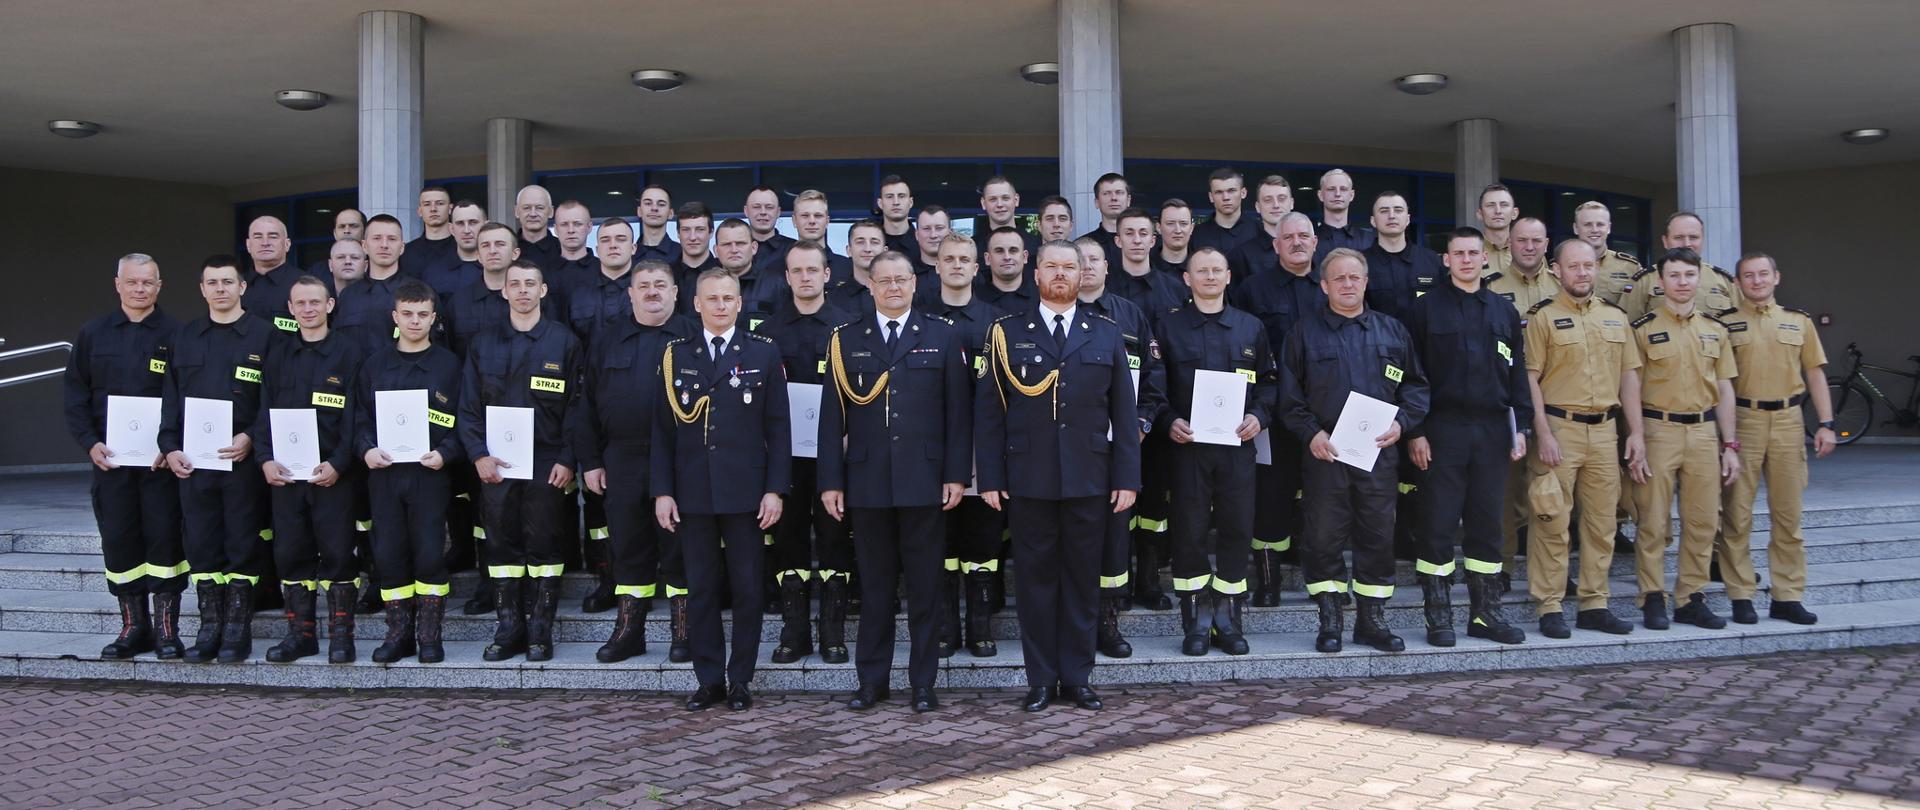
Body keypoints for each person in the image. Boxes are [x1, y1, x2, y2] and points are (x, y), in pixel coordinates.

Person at [975, 240, 1140, 713]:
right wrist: (989, 476)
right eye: (1053, 267)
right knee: (1035, 581)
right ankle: (1041, 680)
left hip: (1091, 477)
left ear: (1084, 273)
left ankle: (1078, 677)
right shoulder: (1006, 332)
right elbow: (989, 413)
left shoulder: (1107, 333)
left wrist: (1127, 477)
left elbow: (1123, 415)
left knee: (1083, 581)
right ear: (1037, 273)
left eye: (1071, 267)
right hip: (1028, 477)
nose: (1062, 275)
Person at [819, 250, 971, 712]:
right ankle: (873, 681)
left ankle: (923, 683)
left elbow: (958, 415)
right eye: (883, 281)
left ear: (914, 283)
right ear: (869, 285)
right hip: (866, 484)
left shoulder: (943, 337)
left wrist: (956, 475)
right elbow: (831, 421)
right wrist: (831, 481)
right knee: (877, 590)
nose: (892, 288)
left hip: (925, 482)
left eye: (900, 280)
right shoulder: (846, 341)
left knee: (926, 589)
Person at [1278, 248, 1430, 654]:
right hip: (1325, 455)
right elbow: (1289, 397)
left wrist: (1403, 424)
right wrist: (1311, 433)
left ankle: (1372, 620)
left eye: (1355, 278)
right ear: (1324, 285)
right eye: (1339, 279)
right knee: (1323, 537)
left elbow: (1415, 386)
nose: (1348, 285)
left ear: (1366, 282)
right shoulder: (1303, 333)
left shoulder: (1392, 331)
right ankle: (1330, 620)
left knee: (1378, 537)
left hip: (1378, 457)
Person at [653, 270, 790, 711]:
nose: (719, 306)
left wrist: (775, 489)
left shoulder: (763, 353)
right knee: (702, 588)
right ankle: (708, 678)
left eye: (727, 298)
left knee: (749, 588)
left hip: (746, 492)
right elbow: (662, 431)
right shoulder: (676, 354)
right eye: (711, 299)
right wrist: (663, 491)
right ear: (695, 304)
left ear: (739, 303)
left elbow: (779, 428)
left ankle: (740, 680)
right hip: (693, 492)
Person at [1404, 229, 1531, 647]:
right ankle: (1438, 617)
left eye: (1473, 253)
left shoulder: (1502, 312)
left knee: (1487, 525)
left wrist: (1521, 429)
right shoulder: (1424, 311)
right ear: (1446, 260)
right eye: (1457, 254)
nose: (1465, 260)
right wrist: (1416, 432)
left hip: (1493, 430)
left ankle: (1485, 614)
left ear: (1485, 259)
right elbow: (1412, 376)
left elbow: (1517, 375)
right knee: (1438, 524)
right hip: (1442, 428)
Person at [1151, 246, 1275, 657]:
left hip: (1238, 448)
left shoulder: (1250, 327)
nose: (1208, 277)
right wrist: (1169, 421)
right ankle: (1196, 621)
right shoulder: (1167, 329)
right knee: (1188, 531)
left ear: (1227, 277)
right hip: (1188, 450)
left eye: (1216, 270)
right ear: (1186, 279)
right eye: (1200, 271)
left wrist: (1259, 415)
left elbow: (1269, 383)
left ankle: (1228, 617)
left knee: (1238, 528)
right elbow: (1154, 387)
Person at [459, 260, 581, 662]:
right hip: (497, 463)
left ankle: (540, 632)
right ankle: (509, 627)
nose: (523, 290)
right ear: (504, 291)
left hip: (547, 462)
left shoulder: (564, 343)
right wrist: (477, 455)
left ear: (543, 290)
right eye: (516, 284)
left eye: (531, 283)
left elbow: (576, 408)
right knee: (501, 545)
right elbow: (468, 407)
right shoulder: (483, 343)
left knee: (545, 545)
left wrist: (568, 459)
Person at [64, 253, 184, 660]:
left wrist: (172, 446)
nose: (139, 289)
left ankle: (167, 630)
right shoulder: (92, 335)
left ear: (159, 286)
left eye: (147, 282)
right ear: (117, 284)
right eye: (132, 282)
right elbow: (76, 396)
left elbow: (187, 398)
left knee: (165, 542)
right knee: (119, 543)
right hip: (111, 464)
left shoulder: (177, 334)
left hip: (159, 466)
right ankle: (133, 627)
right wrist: (89, 442)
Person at [577, 261, 698, 663]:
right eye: (643, 286)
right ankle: (630, 632)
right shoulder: (608, 340)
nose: (652, 292)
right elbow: (587, 404)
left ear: (676, 292)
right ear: (629, 293)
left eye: (660, 285)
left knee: (682, 546)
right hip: (623, 458)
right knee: (628, 545)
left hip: (683, 460)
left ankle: (685, 632)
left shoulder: (693, 337)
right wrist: (591, 460)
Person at [1522, 239, 1642, 638]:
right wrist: (1542, 433)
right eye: (1573, 266)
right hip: (1560, 430)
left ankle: (1594, 603)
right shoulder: (1542, 318)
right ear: (1556, 270)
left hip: (1605, 432)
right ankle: (1550, 604)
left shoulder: (1615, 317)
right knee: (1552, 520)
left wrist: (1635, 433)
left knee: (1601, 523)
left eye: (1588, 266)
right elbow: (1530, 380)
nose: (1582, 273)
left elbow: (1628, 377)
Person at [159, 256, 274, 663]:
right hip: (194, 462)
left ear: (243, 287)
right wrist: (169, 445)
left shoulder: (265, 335)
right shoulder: (185, 336)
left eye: (228, 281)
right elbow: (171, 397)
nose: (221, 289)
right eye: (212, 282)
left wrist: (251, 437)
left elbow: (274, 399)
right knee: (203, 545)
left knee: (242, 543)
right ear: (202, 289)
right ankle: (209, 630)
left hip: (241, 461)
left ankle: (237, 632)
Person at [750, 241, 856, 665]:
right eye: (798, 271)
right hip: (786, 458)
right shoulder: (768, 333)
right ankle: (793, 632)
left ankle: (832, 632)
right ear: (788, 277)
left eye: (814, 269)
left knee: (835, 539)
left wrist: (851, 439)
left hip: (838, 456)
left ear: (828, 274)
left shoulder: (850, 329)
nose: (806, 277)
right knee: (789, 540)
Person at [1716, 252, 1834, 626]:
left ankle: (1787, 595)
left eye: (1763, 274)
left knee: (1788, 516)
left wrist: (1827, 423)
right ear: (1737, 283)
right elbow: (1722, 386)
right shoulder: (1725, 325)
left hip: (1788, 421)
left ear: (1776, 277)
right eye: (1748, 276)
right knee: (1737, 515)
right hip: (1744, 421)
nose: (1756, 281)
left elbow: (1815, 374)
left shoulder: (1798, 322)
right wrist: (1727, 439)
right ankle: (1740, 594)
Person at [1628, 247, 1740, 631]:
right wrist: (1636, 438)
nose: (1681, 282)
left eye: (1688, 275)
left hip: (1705, 433)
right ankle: (1652, 596)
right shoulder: (1642, 329)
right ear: (1660, 282)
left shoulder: (1715, 329)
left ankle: (1691, 597)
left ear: (1698, 279)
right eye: (1674, 275)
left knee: (1703, 521)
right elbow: (1631, 387)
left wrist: (1731, 445)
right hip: (1659, 430)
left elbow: (1725, 389)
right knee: (1654, 521)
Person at [255, 275, 365, 664]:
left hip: (334, 476)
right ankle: (300, 635)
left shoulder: (350, 353)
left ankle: (341, 637)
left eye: (315, 302)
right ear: (290, 308)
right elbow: (262, 412)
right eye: (300, 303)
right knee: (290, 553)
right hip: (286, 477)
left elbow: (358, 416)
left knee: (337, 554)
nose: (308, 309)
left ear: (330, 305)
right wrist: (265, 458)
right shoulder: (279, 354)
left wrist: (338, 462)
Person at [355, 279, 463, 664]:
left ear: (434, 318)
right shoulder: (374, 366)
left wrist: (446, 453)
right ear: (395, 317)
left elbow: (463, 420)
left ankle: (430, 636)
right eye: (407, 314)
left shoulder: (450, 365)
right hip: (384, 476)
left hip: (430, 475)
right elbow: (359, 419)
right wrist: (366, 450)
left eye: (422, 315)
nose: (415, 321)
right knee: (389, 554)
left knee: (431, 554)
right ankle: (398, 634)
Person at [1228, 212, 1325, 605]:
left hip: (1323, 413)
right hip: (1271, 412)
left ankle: (1321, 581)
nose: (1297, 242)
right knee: (1271, 495)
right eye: (1289, 237)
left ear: (1315, 242)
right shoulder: (1253, 289)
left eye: (1304, 235)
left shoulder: (1332, 287)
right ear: (1276, 244)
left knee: (1323, 496)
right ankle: (1268, 582)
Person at [1076, 236, 1164, 660]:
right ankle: (1072, 622)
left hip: (1117, 450)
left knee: (1114, 540)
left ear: (1107, 266)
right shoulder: (1056, 318)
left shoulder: (1129, 316)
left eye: (1094, 259)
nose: (1087, 267)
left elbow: (1154, 378)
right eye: (1079, 261)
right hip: (1069, 452)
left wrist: (1140, 426)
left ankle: (1108, 621)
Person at [925, 233, 1006, 657]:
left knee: (982, 541)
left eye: (965, 259)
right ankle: (944, 627)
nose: (957, 265)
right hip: (932, 450)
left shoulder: (997, 323)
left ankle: (979, 625)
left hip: (983, 449)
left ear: (978, 268)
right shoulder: (919, 320)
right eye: (949, 259)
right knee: (939, 539)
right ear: (936, 266)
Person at [564, 217, 641, 614]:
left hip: (637, 410)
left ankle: (646, 577)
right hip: (591, 401)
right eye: (606, 239)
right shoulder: (575, 290)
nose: (613, 245)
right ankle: (606, 577)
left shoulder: (647, 287)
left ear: (633, 246)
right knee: (598, 507)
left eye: (621, 239)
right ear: (597, 246)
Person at [1619, 211, 1739, 320]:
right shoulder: (1644, 281)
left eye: (1693, 237)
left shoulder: (1724, 281)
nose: (1686, 244)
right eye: (1678, 237)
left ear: (1702, 240)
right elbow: (1628, 328)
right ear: (1665, 241)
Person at [331, 214, 410, 356]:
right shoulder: (348, 296)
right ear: (364, 246)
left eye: (392, 239)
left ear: (402, 247)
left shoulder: (419, 293)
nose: (384, 245)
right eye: (377, 238)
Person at [1361, 191, 1444, 323]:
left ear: (1408, 219)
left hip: (1425, 342)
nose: (1392, 216)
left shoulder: (1431, 261)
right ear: (1373, 221)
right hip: (1377, 342)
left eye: (1398, 210)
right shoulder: (1360, 263)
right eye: (1384, 211)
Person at [1108, 207, 1187, 315]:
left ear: (1152, 241)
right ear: (1118, 241)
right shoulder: (1105, 287)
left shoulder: (1174, 288)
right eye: (1129, 233)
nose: (1137, 240)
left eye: (1143, 234)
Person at [240, 215, 307, 332]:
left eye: (273, 237)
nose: (265, 243)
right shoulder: (235, 286)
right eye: (258, 237)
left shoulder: (306, 285)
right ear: (248, 245)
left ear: (287, 244)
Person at [1227, 175, 1297, 284]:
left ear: (1292, 203)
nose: (1276, 205)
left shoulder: (1309, 249)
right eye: (1268, 200)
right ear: (1257, 207)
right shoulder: (1242, 256)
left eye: (1281, 199)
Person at [1571, 201, 1642, 305]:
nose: (1594, 230)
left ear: (1609, 228)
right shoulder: (1561, 266)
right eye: (1588, 224)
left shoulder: (1630, 267)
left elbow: (1637, 307)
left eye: (1600, 224)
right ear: (1576, 228)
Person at [1484, 218, 1558, 314]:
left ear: (1546, 245)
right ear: (1510, 244)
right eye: (1522, 240)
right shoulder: (1490, 287)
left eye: (1536, 240)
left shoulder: (1562, 285)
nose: (1529, 247)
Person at [425, 200, 487, 308]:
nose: (467, 230)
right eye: (460, 223)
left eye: (473, 222)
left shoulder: (501, 269)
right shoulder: (433, 272)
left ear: (486, 226)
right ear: (451, 229)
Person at [1189, 167, 1260, 258]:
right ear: (1211, 197)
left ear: (1243, 193)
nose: (1225, 197)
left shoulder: (1259, 231)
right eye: (1219, 192)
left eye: (1231, 191)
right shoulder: (1197, 234)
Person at [791, 189, 855, 285]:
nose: (812, 221)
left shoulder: (848, 268)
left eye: (818, 215)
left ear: (827, 221)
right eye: (805, 215)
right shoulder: (779, 266)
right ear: (794, 221)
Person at [971, 176, 1040, 264]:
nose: (999, 204)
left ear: (1016, 200)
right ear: (983, 203)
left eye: (1005, 198)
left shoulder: (1036, 245)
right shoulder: (972, 247)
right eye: (993, 199)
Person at [1313, 169, 1375, 261]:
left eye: (1343, 189)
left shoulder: (1370, 240)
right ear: (1320, 195)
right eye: (1331, 189)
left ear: (1351, 195)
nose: (1337, 194)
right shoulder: (1310, 240)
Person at [401, 186, 461, 281]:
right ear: (420, 211)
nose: (433, 209)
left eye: (440, 203)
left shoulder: (462, 249)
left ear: (450, 209)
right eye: (427, 204)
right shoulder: (407, 253)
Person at [669, 202, 721, 311]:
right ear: (678, 233)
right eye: (686, 230)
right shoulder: (666, 275)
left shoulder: (725, 273)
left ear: (711, 232)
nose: (692, 237)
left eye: (700, 229)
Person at [977, 226, 1039, 315]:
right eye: (999, 251)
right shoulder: (973, 299)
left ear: (1025, 257)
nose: (1007, 257)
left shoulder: (1043, 298)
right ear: (987, 258)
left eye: (1013, 250)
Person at [549, 199, 601, 304]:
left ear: (589, 227)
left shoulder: (603, 270)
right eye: (564, 224)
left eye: (577, 224)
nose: (571, 230)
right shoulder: (543, 273)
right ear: (555, 229)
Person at [831, 219, 886, 314]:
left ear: (885, 251)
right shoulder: (832, 300)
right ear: (849, 250)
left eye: (874, 242)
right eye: (860, 242)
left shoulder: (899, 294)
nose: (867, 249)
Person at [1078, 172, 1132, 268]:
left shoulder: (1147, 242)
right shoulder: (1082, 245)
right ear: (1097, 202)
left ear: (1128, 200)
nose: (1114, 198)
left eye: (1119, 192)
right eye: (1106, 193)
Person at [744, 185, 796, 275]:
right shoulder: (735, 249)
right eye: (756, 207)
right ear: (746, 211)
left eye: (769, 207)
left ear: (778, 212)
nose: (763, 212)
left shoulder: (794, 249)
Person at [514, 185, 564, 276]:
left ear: (551, 212)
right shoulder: (507, 250)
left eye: (539, 208)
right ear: (516, 211)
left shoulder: (564, 250)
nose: (533, 214)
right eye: (526, 208)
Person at [307, 209, 366, 276]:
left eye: (353, 226)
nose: (347, 231)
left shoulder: (375, 267)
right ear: (335, 233)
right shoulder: (317, 271)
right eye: (341, 226)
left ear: (365, 232)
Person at [1477, 185, 1519, 278]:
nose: (1498, 211)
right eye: (1490, 205)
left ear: (1514, 213)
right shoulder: (1470, 253)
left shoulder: (1527, 251)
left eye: (1504, 205)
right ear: (1480, 214)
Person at [634, 185, 680, 264]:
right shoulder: (628, 254)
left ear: (670, 213)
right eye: (648, 203)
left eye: (661, 204)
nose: (654, 208)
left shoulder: (682, 254)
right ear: (639, 211)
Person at [876, 174, 918, 256]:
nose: (896, 202)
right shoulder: (871, 244)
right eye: (889, 197)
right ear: (880, 203)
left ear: (910, 202)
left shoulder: (922, 242)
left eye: (901, 196)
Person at [1151, 198, 1195, 276]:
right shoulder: (1146, 267)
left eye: (1183, 223)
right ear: (1158, 227)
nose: (1178, 230)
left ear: (1191, 228)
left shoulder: (1203, 267)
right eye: (1170, 223)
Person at [909, 205, 953, 278]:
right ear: (916, 234)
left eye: (939, 228)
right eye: (926, 229)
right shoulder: (905, 274)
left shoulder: (965, 273)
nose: (933, 235)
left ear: (950, 233)